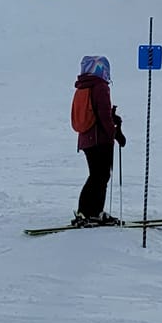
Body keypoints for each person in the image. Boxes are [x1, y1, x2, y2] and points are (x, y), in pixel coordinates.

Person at [70, 55, 126, 226]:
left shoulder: (83, 87)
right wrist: (114, 132)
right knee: (100, 176)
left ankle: (87, 212)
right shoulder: (100, 86)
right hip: (99, 139)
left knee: (96, 175)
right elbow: (102, 113)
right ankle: (91, 213)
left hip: (86, 138)